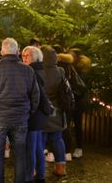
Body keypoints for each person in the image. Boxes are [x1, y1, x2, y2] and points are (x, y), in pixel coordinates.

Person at [0, 38, 39, 183]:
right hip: (20, 118)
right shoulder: (28, 70)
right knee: (20, 155)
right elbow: (35, 95)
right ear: (17, 51)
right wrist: (29, 111)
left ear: (2, 52)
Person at [22, 46, 53, 183]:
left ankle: (29, 177)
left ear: (35, 57)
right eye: (22, 55)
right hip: (41, 115)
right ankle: (40, 175)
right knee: (38, 147)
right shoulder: (41, 69)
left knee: (31, 149)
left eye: (27, 55)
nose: (23, 58)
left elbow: (37, 95)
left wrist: (31, 110)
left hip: (34, 115)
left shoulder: (32, 71)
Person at [40, 46, 69, 177]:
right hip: (57, 110)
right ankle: (60, 167)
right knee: (57, 139)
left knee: (39, 141)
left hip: (42, 110)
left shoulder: (37, 71)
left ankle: (37, 169)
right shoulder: (60, 71)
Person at [65, 47, 90, 159]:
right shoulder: (69, 67)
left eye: (72, 55)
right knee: (66, 124)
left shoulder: (82, 70)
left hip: (78, 101)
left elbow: (82, 87)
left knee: (78, 125)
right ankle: (67, 149)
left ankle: (79, 148)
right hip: (70, 100)